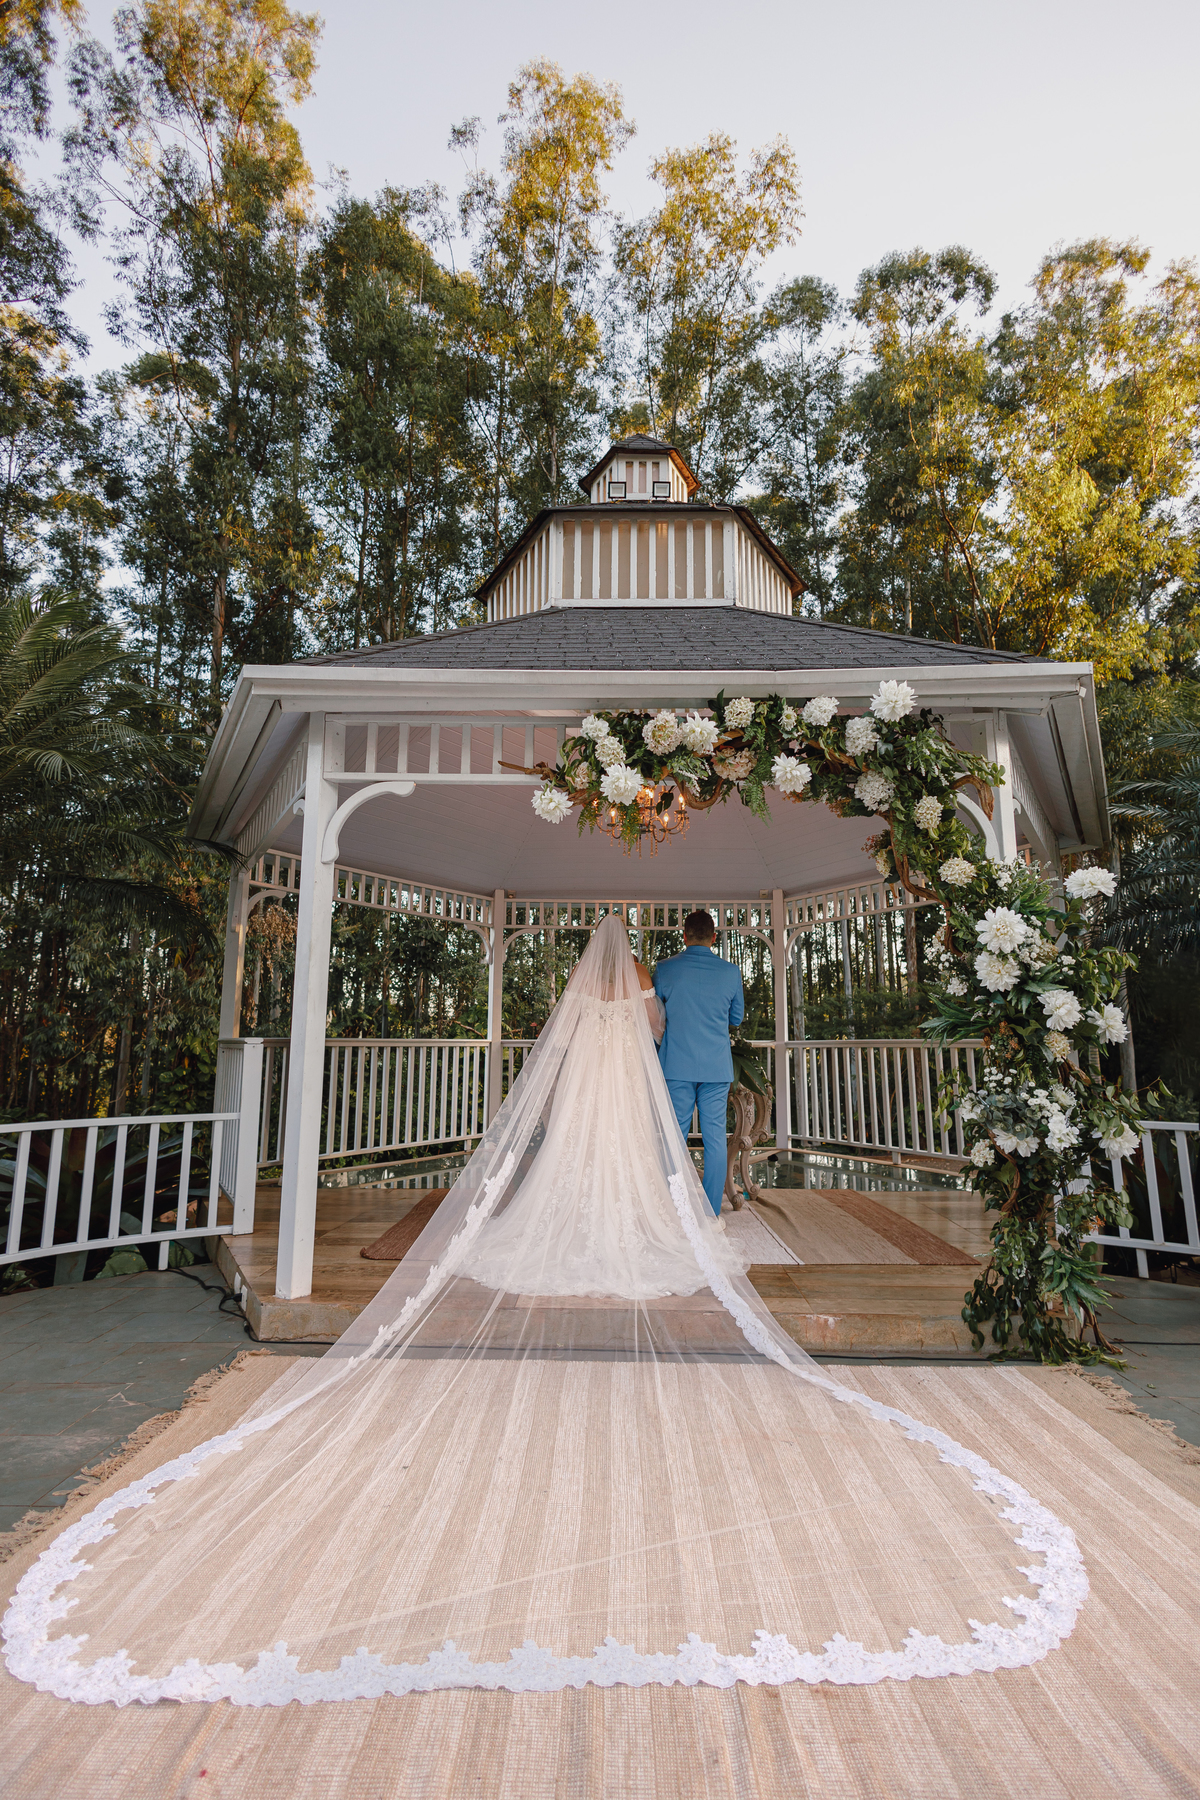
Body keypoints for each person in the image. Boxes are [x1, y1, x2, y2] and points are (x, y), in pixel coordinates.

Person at [653, 910, 745, 1221]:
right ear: (714, 936)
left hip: (676, 1063)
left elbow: (657, 1014)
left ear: (684, 935)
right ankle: (708, 1211)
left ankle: (673, 1206)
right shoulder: (731, 972)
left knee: (674, 1136)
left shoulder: (665, 969)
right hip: (716, 1066)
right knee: (715, 1138)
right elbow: (736, 1019)